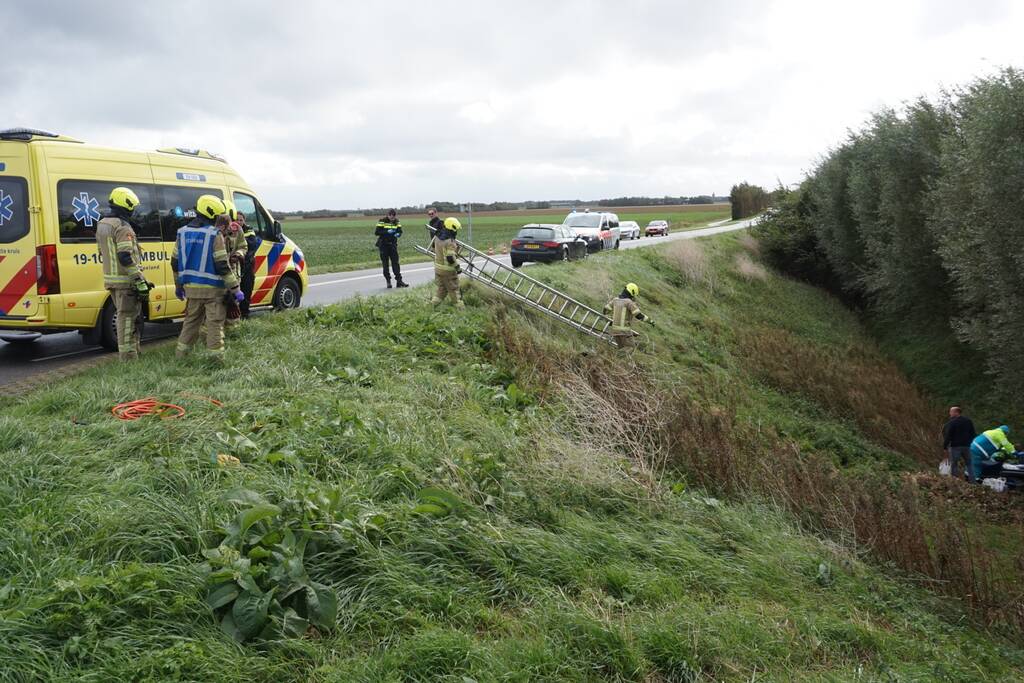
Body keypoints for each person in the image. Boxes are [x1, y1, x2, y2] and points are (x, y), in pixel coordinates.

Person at [172, 194, 243, 361]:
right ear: (211, 214)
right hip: (213, 292)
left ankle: (181, 358)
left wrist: (178, 286)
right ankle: (216, 361)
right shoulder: (214, 234)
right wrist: (236, 289)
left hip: (191, 289)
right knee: (214, 326)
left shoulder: (182, 233)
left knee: (190, 324)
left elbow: (174, 263)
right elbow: (222, 265)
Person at [95, 187, 150, 360]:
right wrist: (139, 279)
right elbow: (125, 256)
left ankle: (132, 353)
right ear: (126, 206)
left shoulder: (103, 223)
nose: (134, 211)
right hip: (126, 281)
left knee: (125, 317)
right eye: (132, 207)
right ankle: (128, 357)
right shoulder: (123, 227)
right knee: (127, 319)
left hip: (111, 280)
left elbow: (101, 251)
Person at [603, 282, 654, 348]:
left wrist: (608, 319)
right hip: (624, 332)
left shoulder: (615, 300)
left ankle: (616, 358)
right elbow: (639, 315)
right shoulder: (629, 302)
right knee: (630, 348)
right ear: (631, 293)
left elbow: (605, 309)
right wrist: (650, 321)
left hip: (615, 331)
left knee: (622, 349)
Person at [430, 216, 463, 307]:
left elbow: (434, 248)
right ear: (452, 229)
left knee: (442, 289)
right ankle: (461, 309)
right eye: (455, 229)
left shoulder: (437, 237)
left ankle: (432, 306)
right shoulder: (450, 242)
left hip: (438, 269)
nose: (456, 232)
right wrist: (457, 267)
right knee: (454, 290)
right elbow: (450, 258)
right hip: (448, 271)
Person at [375, 208, 407, 289]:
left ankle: (399, 281)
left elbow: (400, 231)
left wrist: (398, 234)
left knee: (395, 263)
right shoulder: (382, 221)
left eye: (393, 216)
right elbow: (377, 232)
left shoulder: (397, 221)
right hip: (383, 245)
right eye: (390, 216)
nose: (392, 217)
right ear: (388, 215)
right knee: (385, 264)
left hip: (393, 244)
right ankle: (388, 281)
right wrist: (387, 232)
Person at [942, 406, 976, 479]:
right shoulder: (968, 421)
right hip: (966, 447)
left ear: (956, 412)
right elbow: (973, 434)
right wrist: (969, 442)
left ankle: (955, 481)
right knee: (969, 464)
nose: (950, 413)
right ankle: (973, 481)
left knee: (954, 464)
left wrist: (945, 446)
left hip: (955, 447)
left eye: (951, 412)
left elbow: (948, 435)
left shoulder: (952, 422)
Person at [237, 212, 260, 319]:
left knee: (247, 289)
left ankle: (245, 314)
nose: (239, 222)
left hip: (247, 264)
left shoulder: (249, 230)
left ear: (244, 221)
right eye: (237, 220)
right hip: (236, 266)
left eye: (241, 220)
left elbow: (252, 244)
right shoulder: (231, 229)